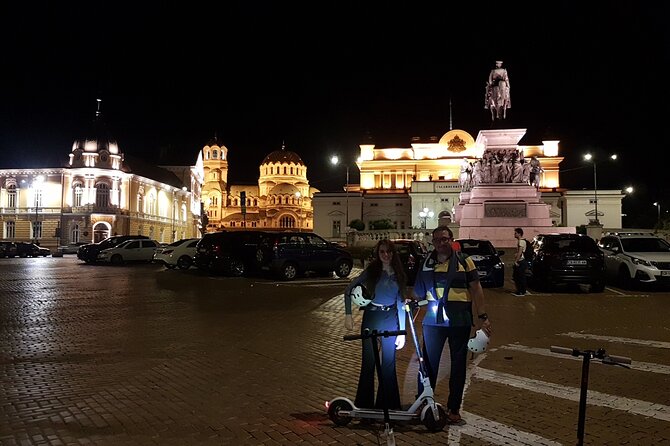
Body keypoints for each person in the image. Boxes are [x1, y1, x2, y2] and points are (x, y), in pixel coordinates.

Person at [412, 226, 492, 424]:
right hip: (433, 322)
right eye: (437, 240)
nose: (441, 243)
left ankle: (454, 407)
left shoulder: (465, 261)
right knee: (428, 364)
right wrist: (410, 301)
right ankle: (423, 401)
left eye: (444, 239)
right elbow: (418, 292)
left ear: (451, 240)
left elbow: (477, 289)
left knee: (458, 366)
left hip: (460, 321)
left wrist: (483, 316)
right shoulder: (426, 263)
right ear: (433, 241)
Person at [344, 239, 408, 410]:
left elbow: (401, 303)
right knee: (368, 362)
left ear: (393, 253)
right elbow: (349, 289)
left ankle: (388, 405)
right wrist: (348, 314)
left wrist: (402, 331)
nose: (385, 255)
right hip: (372, 316)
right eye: (382, 252)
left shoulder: (398, 274)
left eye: (388, 252)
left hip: (390, 317)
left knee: (388, 363)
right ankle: (364, 405)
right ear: (378, 254)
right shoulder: (372, 271)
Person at [512, 227, 529, 296]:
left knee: (519, 277)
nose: (514, 234)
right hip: (522, 261)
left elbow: (520, 252)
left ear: (519, 234)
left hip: (521, 261)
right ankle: (521, 290)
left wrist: (516, 261)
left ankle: (521, 291)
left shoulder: (521, 241)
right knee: (520, 276)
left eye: (515, 233)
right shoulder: (522, 241)